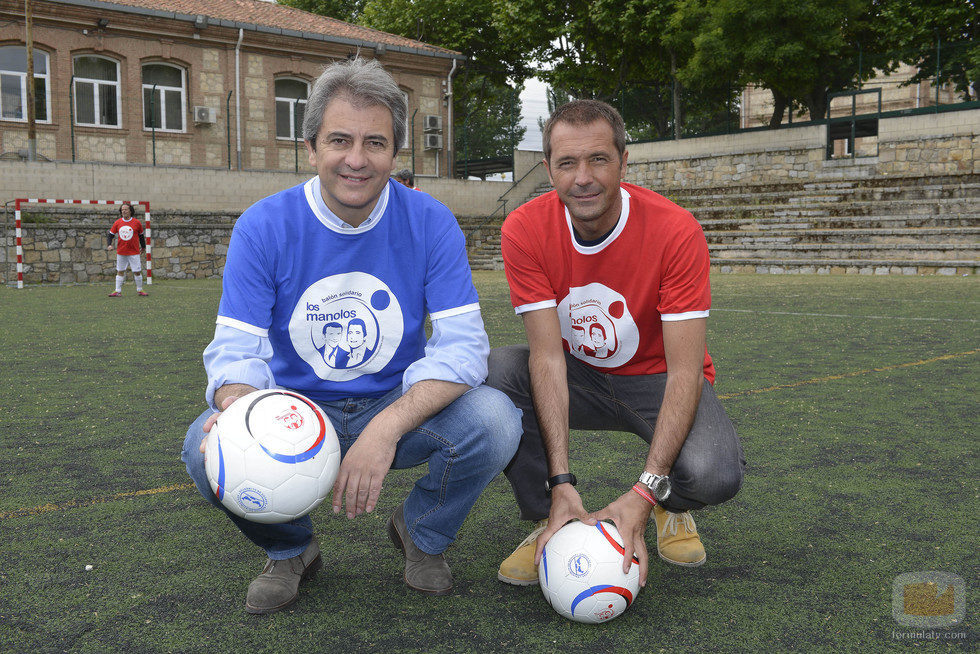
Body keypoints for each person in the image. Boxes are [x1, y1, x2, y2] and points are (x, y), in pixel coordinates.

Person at [181, 58, 521, 614]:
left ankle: (421, 533)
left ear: (395, 153)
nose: (357, 160)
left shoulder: (431, 221)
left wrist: (384, 429)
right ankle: (291, 549)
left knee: (496, 419)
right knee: (205, 446)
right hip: (296, 409)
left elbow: (463, 348)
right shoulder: (263, 226)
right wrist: (239, 412)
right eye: (340, 140)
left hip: (395, 403)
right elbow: (234, 351)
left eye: (375, 143)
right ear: (311, 146)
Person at [487, 99, 745, 588]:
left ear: (624, 162)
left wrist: (644, 493)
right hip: (579, 375)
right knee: (495, 373)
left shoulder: (675, 231)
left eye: (598, 159)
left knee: (715, 472)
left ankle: (668, 506)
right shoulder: (523, 229)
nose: (582, 177)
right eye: (567, 163)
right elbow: (545, 357)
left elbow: (685, 371)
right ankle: (553, 517)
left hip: (658, 378)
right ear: (549, 169)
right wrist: (561, 482)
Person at [106, 202, 147, 297]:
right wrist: (109, 244)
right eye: (122, 210)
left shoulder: (137, 223)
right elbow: (110, 235)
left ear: (130, 211)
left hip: (134, 252)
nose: (123, 211)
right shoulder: (117, 222)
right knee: (120, 271)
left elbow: (141, 236)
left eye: (125, 209)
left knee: (137, 271)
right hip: (121, 251)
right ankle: (117, 291)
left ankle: (140, 290)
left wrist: (143, 247)